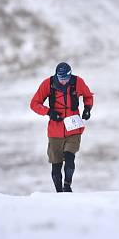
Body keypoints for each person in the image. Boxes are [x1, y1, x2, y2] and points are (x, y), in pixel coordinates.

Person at [30, 62, 94, 193]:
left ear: (70, 75)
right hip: (55, 131)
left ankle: (67, 186)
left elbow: (88, 96)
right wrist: (49, 112)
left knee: (70, 156)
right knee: (56, 164)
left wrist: (87, 109)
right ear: (56, 76)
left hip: (74, 129)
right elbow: (34, 104)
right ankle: (59, 193)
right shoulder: (48, 84)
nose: (64, 82)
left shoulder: (78, 82)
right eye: (61, 79)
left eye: (66, 79)